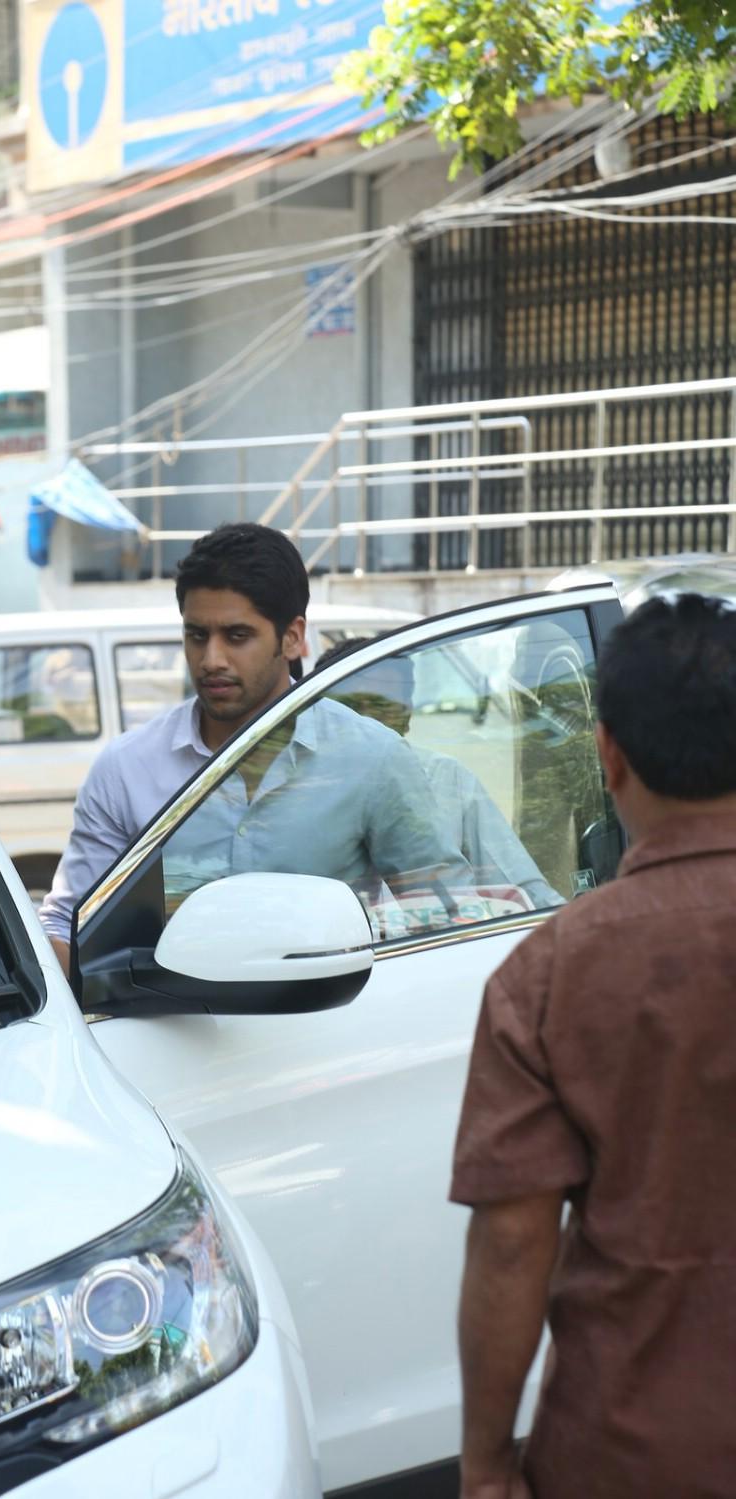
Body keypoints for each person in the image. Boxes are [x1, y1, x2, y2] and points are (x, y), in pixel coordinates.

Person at [449, 592, 736, 1499]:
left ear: (607, 754)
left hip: (628, 1450)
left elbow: (509, 1249)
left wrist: (488, 1464)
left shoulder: (547, 974)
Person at [39, 523, 468, 972]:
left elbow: (447, 919)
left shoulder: (373, 759)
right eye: (197, 635)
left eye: (237, 636)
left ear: (292, 637)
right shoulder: (126, 768)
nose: (212, 660)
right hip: (164, 1034)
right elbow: (71, 926)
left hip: (334, 1031)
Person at [314, 636, 563, 912]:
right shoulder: (298, 795)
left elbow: (524, 891)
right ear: (325, 714)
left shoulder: (448, 779)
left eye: (385, 707)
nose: (368, 728)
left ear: (407, 713)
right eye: (357, 708)